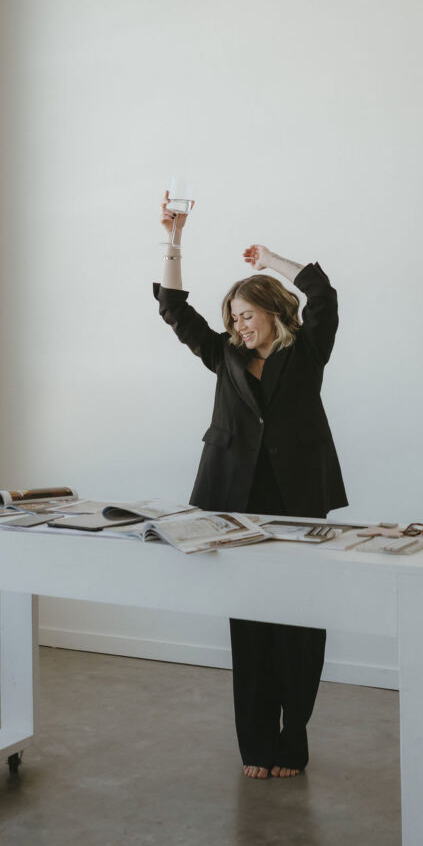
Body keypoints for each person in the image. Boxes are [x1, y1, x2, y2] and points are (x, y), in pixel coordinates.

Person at [154, 192, 348, 780]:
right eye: (233, 316)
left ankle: (295, 740)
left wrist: (271, 258)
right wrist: (174, 241)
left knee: (299, 622)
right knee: (250, 625)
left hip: (298, 501)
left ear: (272, 312)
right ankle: (256, 744)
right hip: (234, 501)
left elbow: (325, 293)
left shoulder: (309, 351)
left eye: (247, 313)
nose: (237, 325)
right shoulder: (224, 356)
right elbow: (172, 309)